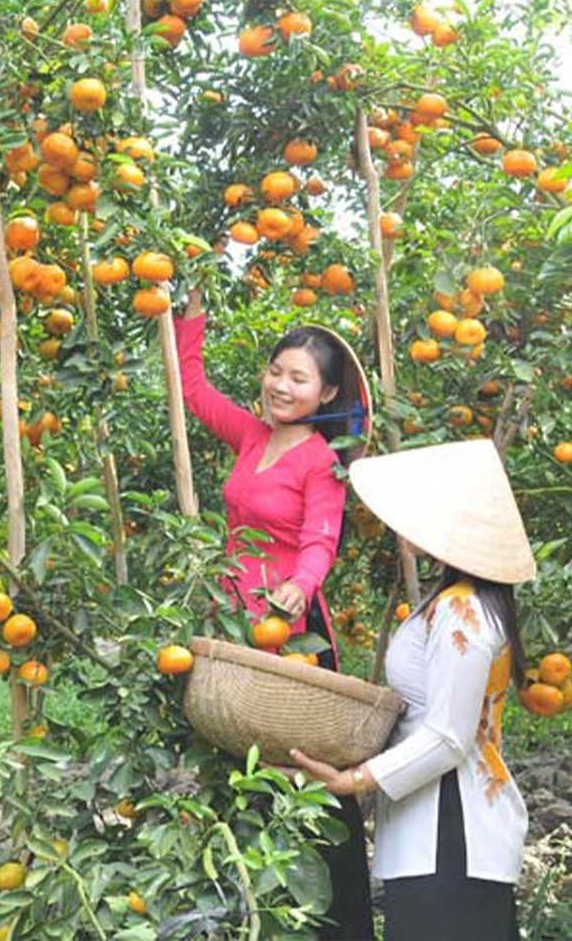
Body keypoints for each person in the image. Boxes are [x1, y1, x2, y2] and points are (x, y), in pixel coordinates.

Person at [174, 287, 375, 940]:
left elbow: (321, 538)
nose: (281, 386)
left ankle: (337, 925)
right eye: (275, 371)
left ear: (326, 393)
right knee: (240, 770)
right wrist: (190, 313)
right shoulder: (251, 435)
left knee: (302, 777)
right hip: (236, 627)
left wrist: (301, 584)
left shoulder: (320, 461)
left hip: (290, 632)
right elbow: (193, 391)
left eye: (299, 378)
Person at [285, 439, 535, 941]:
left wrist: (354, 779)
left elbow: (447, 736)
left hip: (450, 835)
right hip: (435, 834)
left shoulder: (461, 611)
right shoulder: (455, 602)